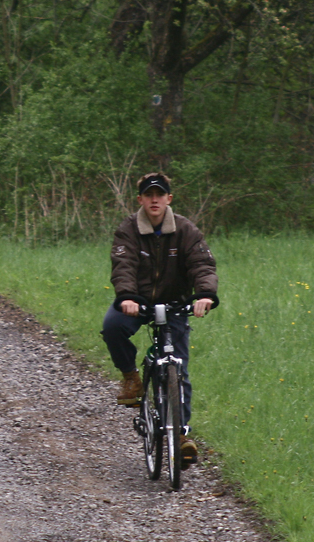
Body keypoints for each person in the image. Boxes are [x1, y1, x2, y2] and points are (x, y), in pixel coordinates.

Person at [102, 172, 218, 465]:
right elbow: (123, 264)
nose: (154, 200)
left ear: (169, 198)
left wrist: (204, 294)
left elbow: (202, 264)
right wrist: (126, 296)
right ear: (140, 199)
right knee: (113, 327)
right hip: (136, 302)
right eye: (148, 195)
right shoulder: (128, 229)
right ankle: (130, 377)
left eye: (160, 194)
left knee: (178, 365)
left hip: (175, 303)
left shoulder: (185, 229)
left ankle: (180, 434)